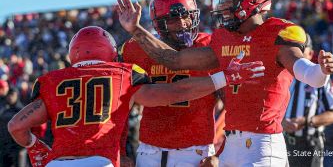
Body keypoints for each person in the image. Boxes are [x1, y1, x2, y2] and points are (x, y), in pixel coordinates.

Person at [115, 0, 333, 166]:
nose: (222, 9)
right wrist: (135, 29)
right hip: (216, 146)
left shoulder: (271, 34)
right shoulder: (221, 38)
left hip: (250, 144)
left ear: (253, 0)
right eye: (220, 2)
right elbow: (173, 59)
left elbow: (308, 75)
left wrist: (321, 71)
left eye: (227, 2)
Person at [7, 26, 262, 167]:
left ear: (73, 53)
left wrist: (33, 146)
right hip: (100, 162)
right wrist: (223, 77)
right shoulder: (122, 74)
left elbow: (17, 126)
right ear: (110, 51)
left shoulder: (51, 81)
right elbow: (176, 91)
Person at [121, 0, 217, 167]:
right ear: (159, 23)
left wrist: (221, 153)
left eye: (186, 15)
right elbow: (121, 107)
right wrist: (121, 151)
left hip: (197, 153)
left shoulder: (209, 46)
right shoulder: (135, 49)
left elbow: (231, 104)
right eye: (173, 19)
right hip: (150, 151)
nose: (182, 23)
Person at [283, 34, 333, 167]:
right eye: (292, 49)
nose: (294, 54)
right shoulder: (283, 77)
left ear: (310, 53)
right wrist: (281, 122)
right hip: (284, 142)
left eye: (299, 50)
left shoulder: (320, 78)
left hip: (310, 144)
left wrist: (307, 121)